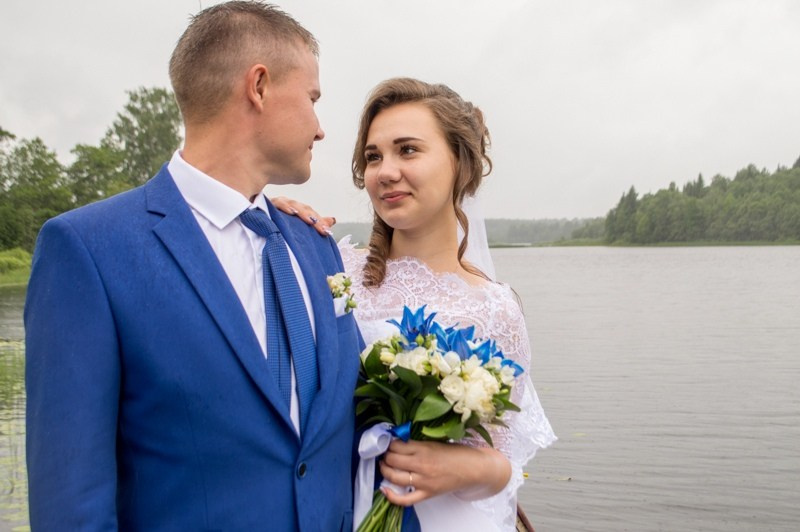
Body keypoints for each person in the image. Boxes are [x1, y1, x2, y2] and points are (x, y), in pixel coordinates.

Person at [24, 2, 361, 530]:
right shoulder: (88, 249)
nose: (320, 128)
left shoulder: (316, 245)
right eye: (313, 98)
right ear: (259, 86)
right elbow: (72, 501)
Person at [276, 78, 556, 531]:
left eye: (408, 150)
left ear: (460, 164)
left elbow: (504, 461)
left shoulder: (493, 308)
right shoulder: (331, 269)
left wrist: (463, 468)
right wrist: (265, 217)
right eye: (373, 156)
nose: (385, 171)